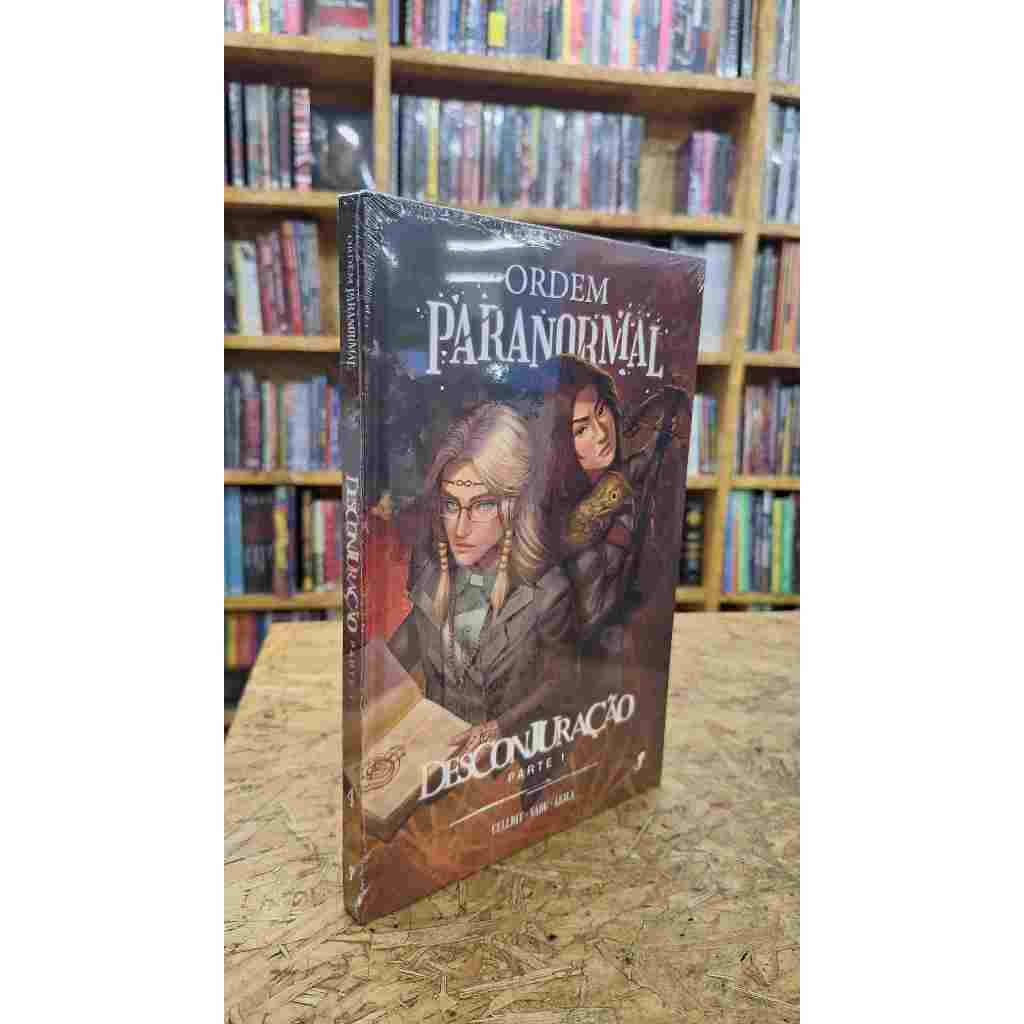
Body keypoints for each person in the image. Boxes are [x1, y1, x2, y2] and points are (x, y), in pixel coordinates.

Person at [386, 402, 576, 760]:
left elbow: (559, 688)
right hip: (435, 762)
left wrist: (498, 728)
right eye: (451, 505)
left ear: (514, 505)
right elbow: (392, 660)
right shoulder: (431, 574)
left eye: (482, 505)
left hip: (510, 769)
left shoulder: (550, 593)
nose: (460, 528)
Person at [530, 355, 687, 662]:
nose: (602, 433)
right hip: (578, 662)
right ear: (558, 440)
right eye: (581, 430)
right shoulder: (550, 514)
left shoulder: (627, 479)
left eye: (601, 411)